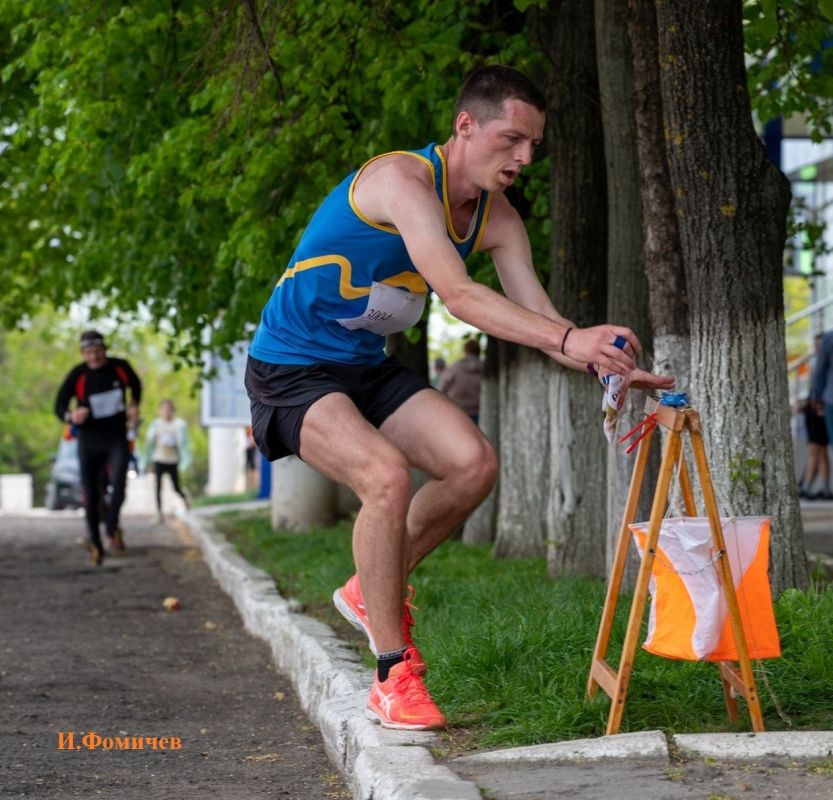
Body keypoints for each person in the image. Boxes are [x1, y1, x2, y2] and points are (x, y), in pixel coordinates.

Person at [245, 65, 673, 731]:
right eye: (511, 139)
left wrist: (605, 365)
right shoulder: (400, 182)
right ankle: (391, 673)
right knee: (384, 475)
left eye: (533, 145)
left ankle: (369, 588)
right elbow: (460, 296)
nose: (524, 157)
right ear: (464, 126)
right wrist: (573, 338)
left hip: (363, 366)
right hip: (292, 369)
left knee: (472, 463)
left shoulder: (498, 219)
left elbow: (540, 318)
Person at [55, 330, 142, 565]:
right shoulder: (79, 374)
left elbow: (136, 386)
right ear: (83, 354)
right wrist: (71, 416)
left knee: (120, 484)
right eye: (88, 353)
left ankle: (111, 527)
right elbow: (59, 405)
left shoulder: (119, 367)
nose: (93, 357)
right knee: (91, 493)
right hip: (89, 439)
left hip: (116, 436)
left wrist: (134, 405)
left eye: (96, 352)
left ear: (105, 349)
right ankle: (96, 543)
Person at [143, 399, 191, 523]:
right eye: (164, 409)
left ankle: (185, 499)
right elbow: (149, 444)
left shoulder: (179, 425)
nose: (166, 412)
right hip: (159, 459)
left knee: (176, 487)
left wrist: (185, 461)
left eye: (169, 409)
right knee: (158, 487)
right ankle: (159, 514)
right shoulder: (156, 425)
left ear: (173, 411)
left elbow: (184, 445)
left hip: (173, 460)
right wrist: (146, 461)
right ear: (160, 411)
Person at [439, 337, 484, 423]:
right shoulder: (487, 369)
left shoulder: (455, 367)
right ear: (478, 351)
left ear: (465, 350)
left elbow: (441, 388)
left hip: (457, 411)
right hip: (480, 412)